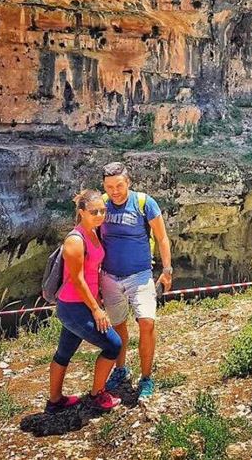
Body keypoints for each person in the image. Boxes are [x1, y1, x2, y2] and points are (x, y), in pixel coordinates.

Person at [101, 162, 173, 401]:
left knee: (146, 323)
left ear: (128, 183)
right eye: (110, 186)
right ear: (104, 186)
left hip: (140, 275)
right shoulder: (101, 205)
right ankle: (120, 370)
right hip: (110, 277)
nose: (115, 191)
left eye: (119, 185)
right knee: (118, 325)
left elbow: (162, 238)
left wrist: (167, 269)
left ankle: (146, 378)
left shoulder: (144, 203)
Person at [47, 189, 123, 414]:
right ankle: (97, 394)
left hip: (82, 304)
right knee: (113, 345)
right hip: (73, 306)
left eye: (102, 210)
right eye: (93, 212)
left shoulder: (93, 232)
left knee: (64, 353)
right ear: (81, 212)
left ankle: (54, 402)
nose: (100, 215)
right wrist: (97, 309)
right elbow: (78, 280)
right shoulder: (75, 240)